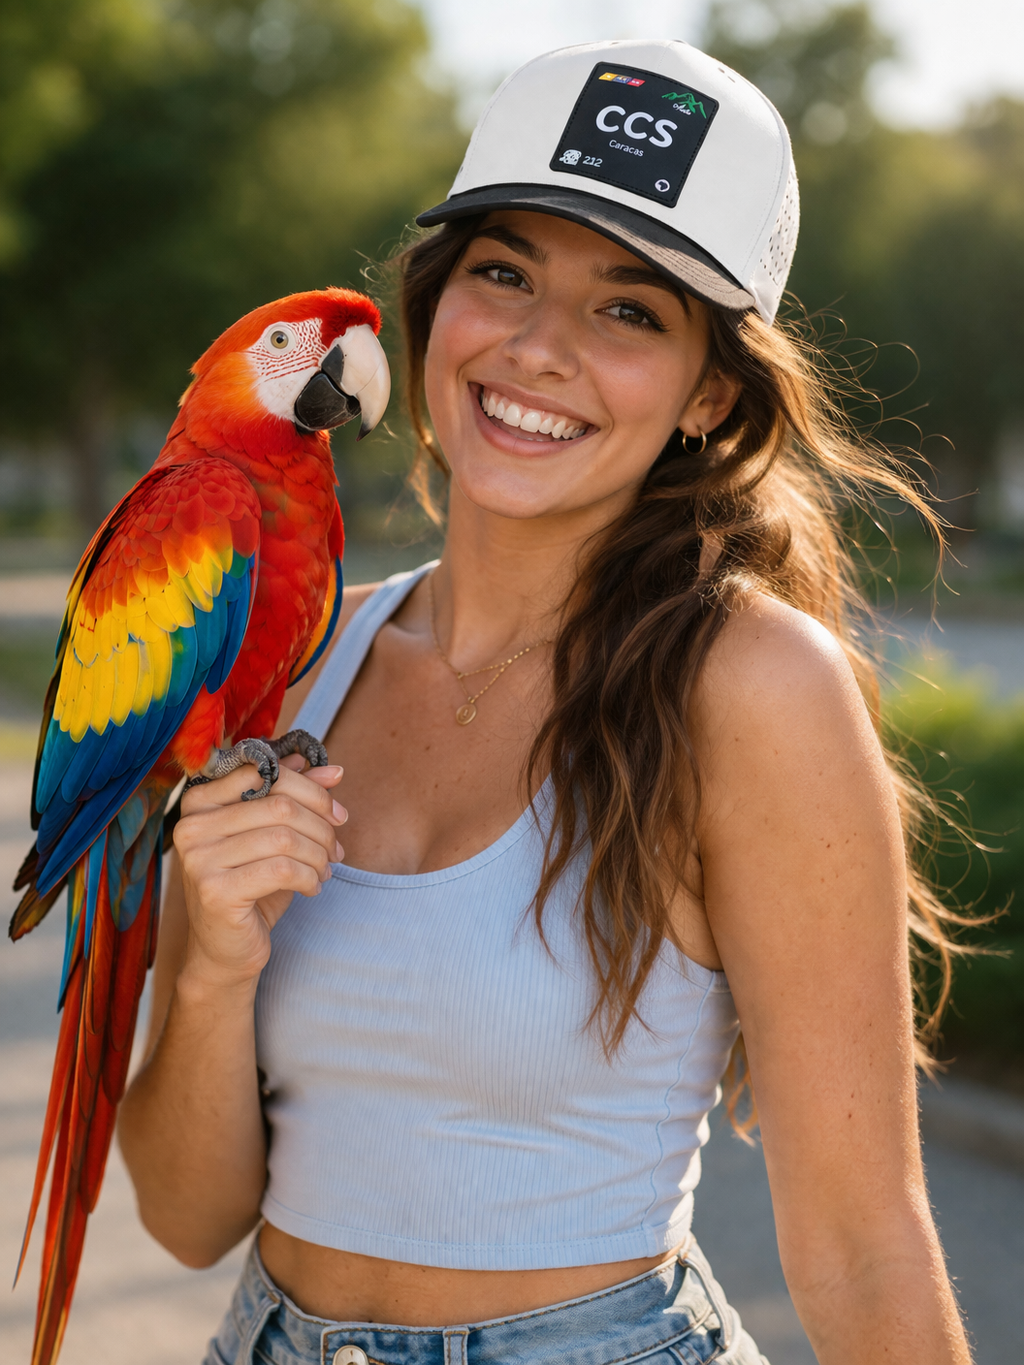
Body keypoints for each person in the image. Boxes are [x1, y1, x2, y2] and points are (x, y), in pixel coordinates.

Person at [118, 39, 972, 1365]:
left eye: (629, 312)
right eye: (504, 272)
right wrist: (217, 969)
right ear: (432, 306)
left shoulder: (751, 688)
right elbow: (183, 1218)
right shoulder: (293, 660)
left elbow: (863, 1248)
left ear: (707, 396)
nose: (537, 346)